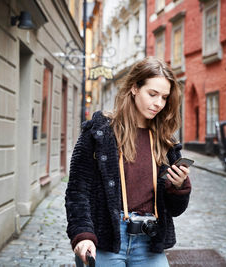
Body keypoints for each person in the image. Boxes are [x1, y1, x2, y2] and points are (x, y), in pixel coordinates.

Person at [65, 57, 191, 267]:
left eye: (164, 97)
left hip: (149, 242)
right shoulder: (99, 132)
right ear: (134, 88)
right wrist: (83, 234)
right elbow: (77, 191)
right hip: (107, 240)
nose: (158, 103)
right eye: (152, 94)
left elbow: (175, 209)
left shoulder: (166, 141)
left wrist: (179, 187)